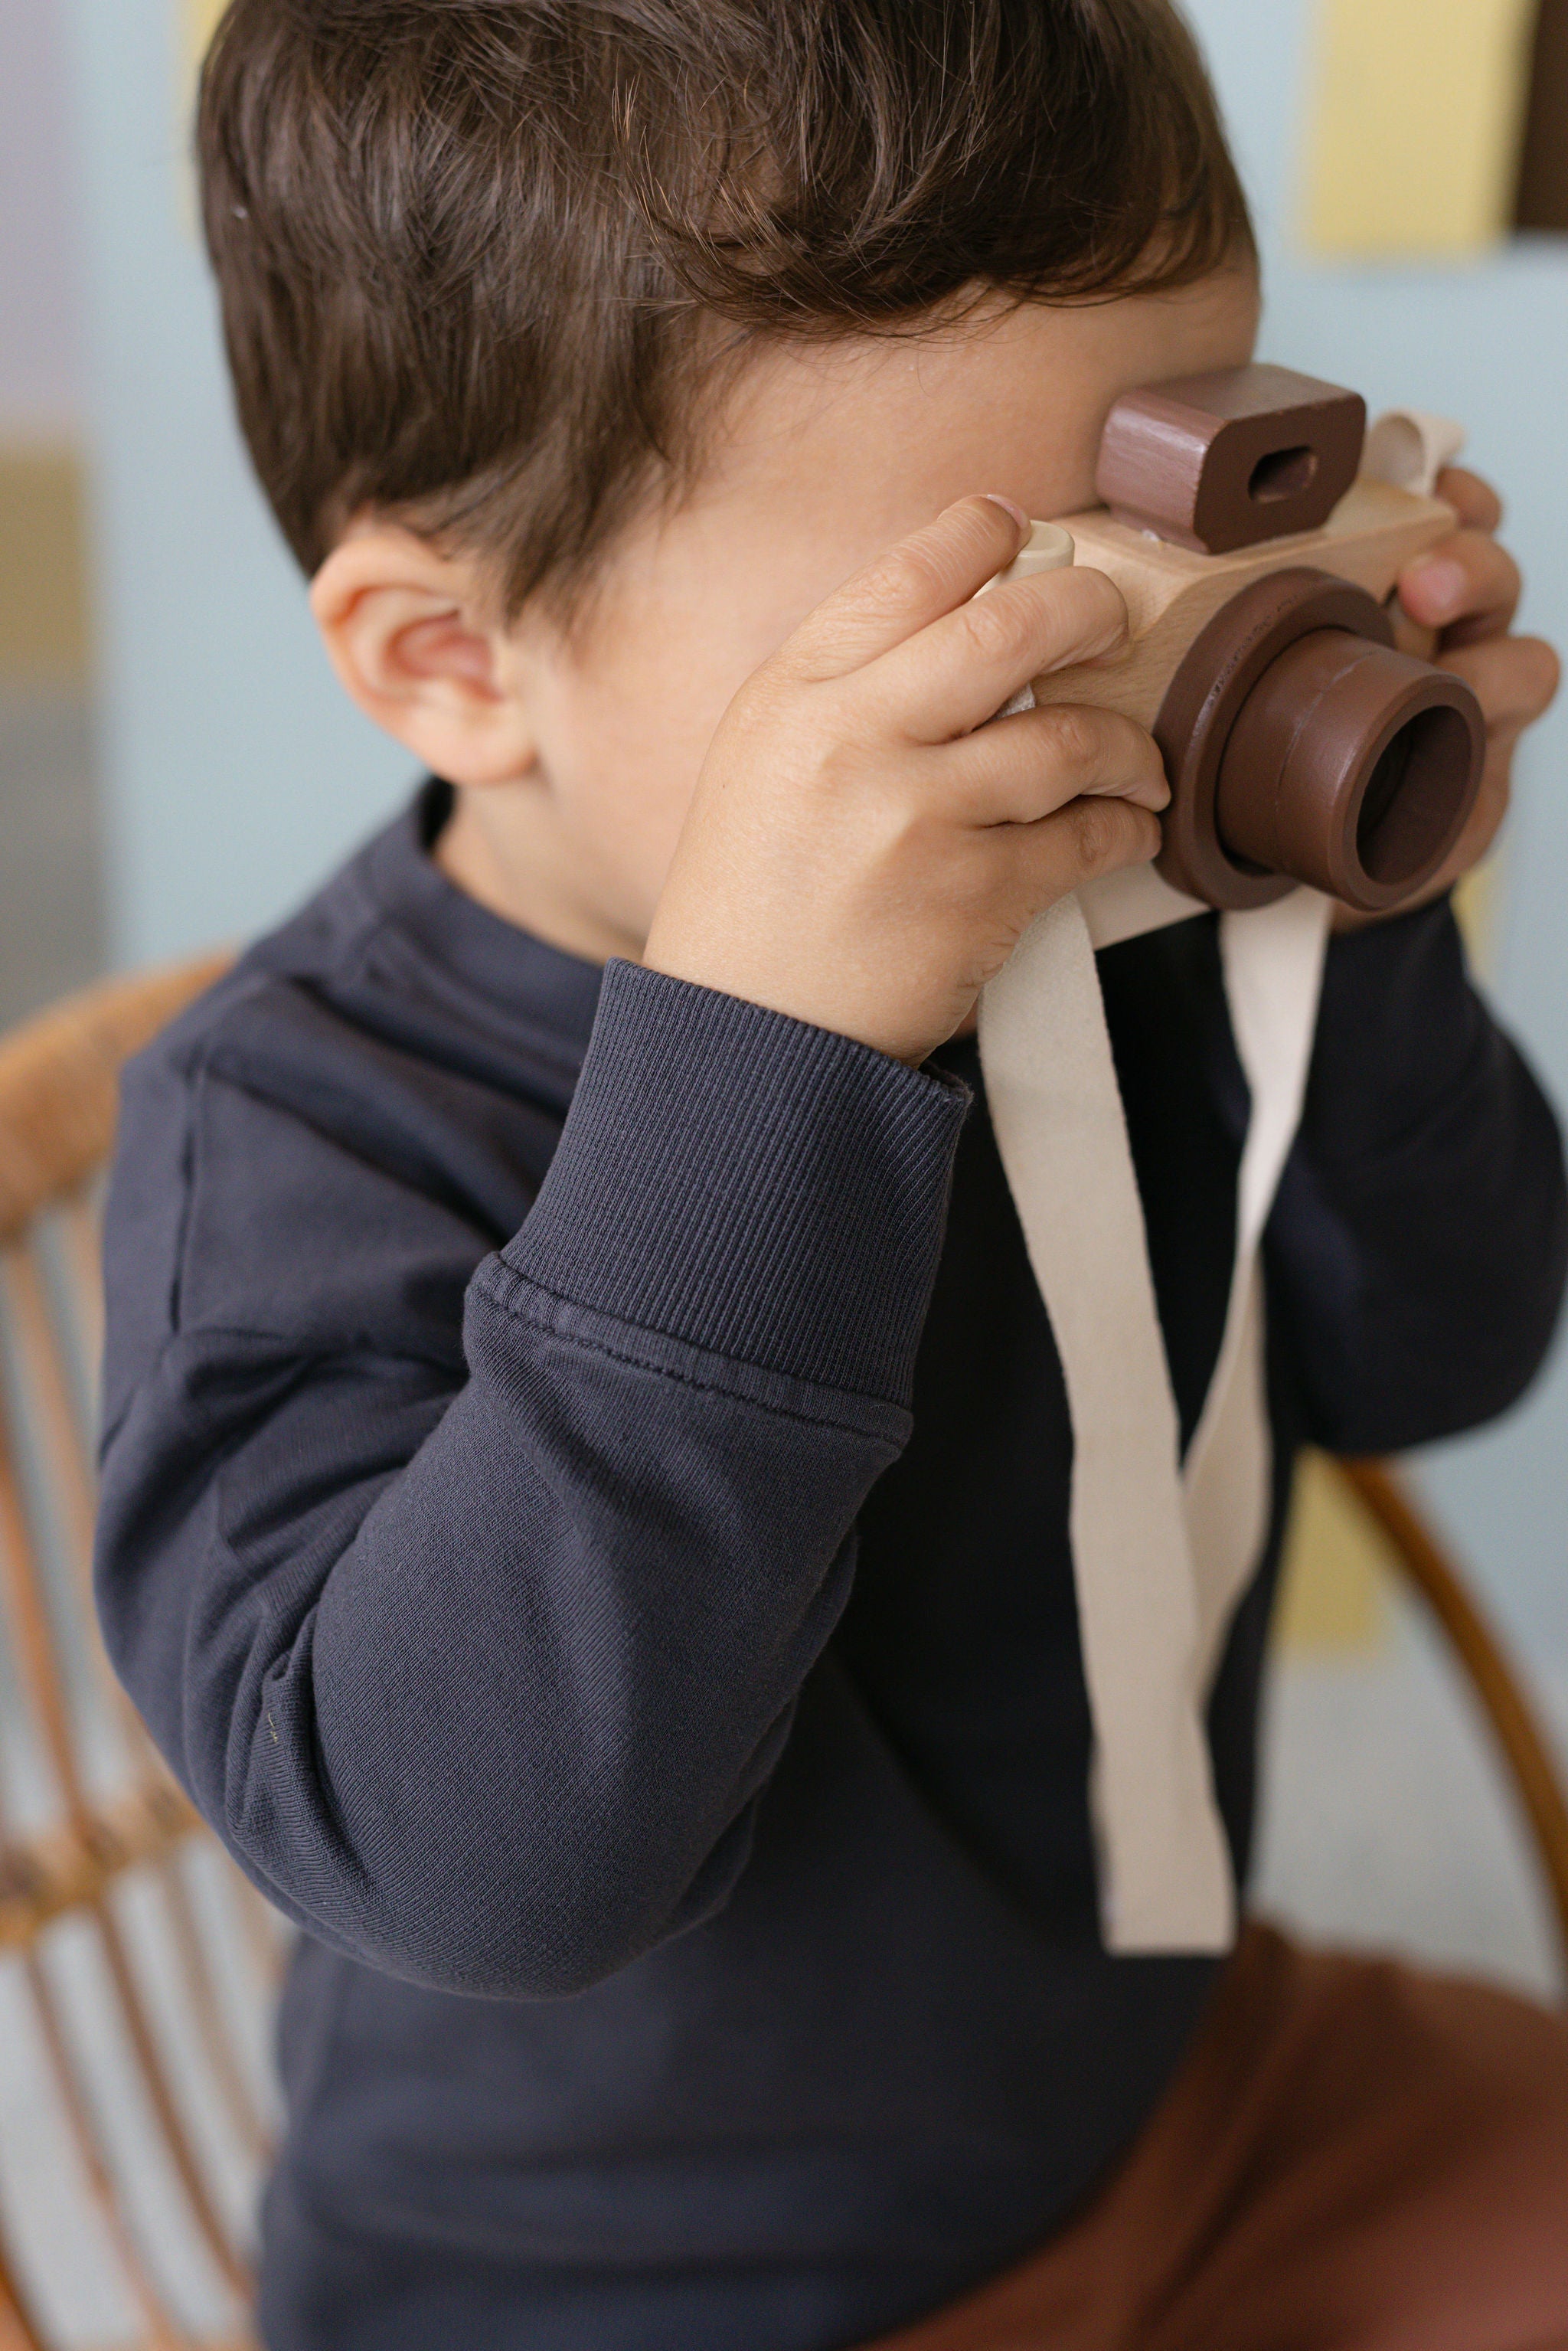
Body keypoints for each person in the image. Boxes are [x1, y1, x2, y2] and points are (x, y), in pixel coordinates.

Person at [95, 3, 1568, 2346]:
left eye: (1188, 519)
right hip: (631, 2289)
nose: (1128, 687)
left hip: (1167, 2103)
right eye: (993, 638)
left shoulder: (1113, 907)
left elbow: (1440, 1354)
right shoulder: (295, 1131)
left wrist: (1352, 917)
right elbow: (480, 1870)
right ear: (453, 656)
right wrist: (770, 1062)